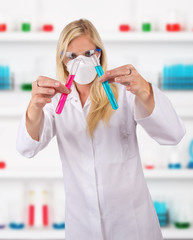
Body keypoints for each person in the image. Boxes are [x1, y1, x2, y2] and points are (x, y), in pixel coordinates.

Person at [16, 19, 185, 240]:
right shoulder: (55, 102)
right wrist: (34, 106)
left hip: (133, 226)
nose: (81, 62)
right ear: (63, 60)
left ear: (99, 55)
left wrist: (145, 90)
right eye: (73, 56)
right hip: (82, 227)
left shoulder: (122, 93)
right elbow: (26, 148)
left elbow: (173, 134)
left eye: (88, 54)